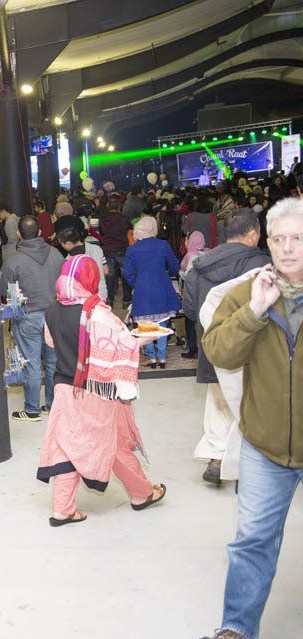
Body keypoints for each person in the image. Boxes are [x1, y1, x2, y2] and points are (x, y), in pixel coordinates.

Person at [199, 197, 303, 639]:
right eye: (278, 239)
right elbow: (218, 351)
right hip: (266, 443)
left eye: (297, 238)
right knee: (252, 542)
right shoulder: (248, 290)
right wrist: (254, 312)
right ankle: (237, 628)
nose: (287, 248)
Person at [37, 255, 166, 526]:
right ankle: (142, 493)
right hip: (96, 390)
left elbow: (51, 343)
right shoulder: (97, 313)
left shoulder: (52, 309)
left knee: (66, 444)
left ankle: (62, 509)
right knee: (114, 443)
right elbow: (123, 345)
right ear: (91, 278)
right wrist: (148, 336)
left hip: (64, 387)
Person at [183, 208, 269, 486]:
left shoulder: (201, 264)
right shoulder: (263, 265)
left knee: (219, 403)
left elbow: (191, 310)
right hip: (253, 350)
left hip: (213, 346)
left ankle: (217, 459)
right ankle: (254, 465)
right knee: (255, 407)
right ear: (253, 233)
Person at [0, 215, 63, 421]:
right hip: (55, 315)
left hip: (28, 317)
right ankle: (52, 405)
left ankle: (32, 409)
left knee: (32, 364)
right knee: (53, 363)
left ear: (19, 234)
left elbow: (4, 291)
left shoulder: (13, 261)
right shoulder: (56, 254)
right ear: (39, 232)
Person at [124, 216, 181, 369]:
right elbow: (175, 265)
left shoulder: (133, 249)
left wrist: (136, 283)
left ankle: (151, 357)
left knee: (145, 324)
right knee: (162, 322)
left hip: (142, 288)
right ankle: (162, 356)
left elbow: (127, 273)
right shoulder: (163, 245)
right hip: (162, 285)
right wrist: (168, 274)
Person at [179, 231, 209, 358]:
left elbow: (182, 270)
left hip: (192, 292)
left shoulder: (189, 255)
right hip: (207, 291)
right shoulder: (209, 252)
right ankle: (207, 348)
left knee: (190, 319)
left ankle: (192, 348)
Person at [57, 226, 107, 299]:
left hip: (84, 300)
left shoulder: (69, 260)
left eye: (62, 244)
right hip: (101, 294)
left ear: (68, 244)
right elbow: (106, 271)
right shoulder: (97, 248)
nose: (62, 246)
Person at [99, 199, 133, 307]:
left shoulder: (103, 218)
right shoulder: (124, 218)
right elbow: (130, 229)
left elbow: (101, 232)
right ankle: (126, 301)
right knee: (125, 275)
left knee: (110, 276)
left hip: (108, 248)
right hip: (122, 248)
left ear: (108, 206)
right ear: (119, 207)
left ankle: (110, 300)